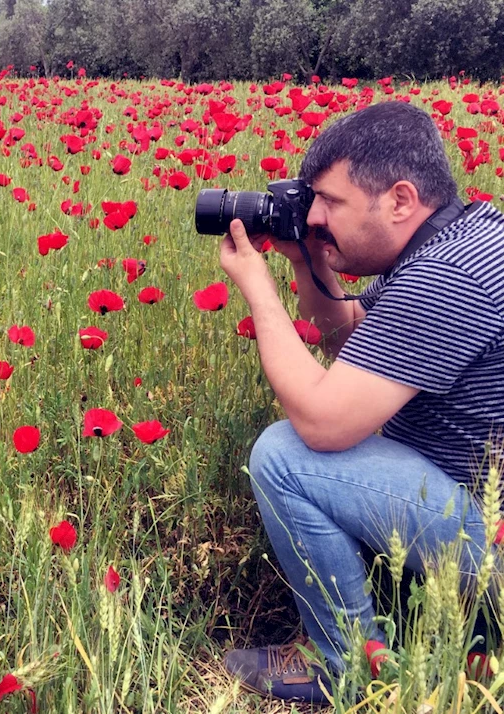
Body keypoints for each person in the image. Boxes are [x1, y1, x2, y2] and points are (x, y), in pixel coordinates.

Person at [218, 100, 504, 703]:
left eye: (331, 202)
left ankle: (346, 666)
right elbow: (352, 328)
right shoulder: (457, 237)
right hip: (472, 507)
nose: (316, 216)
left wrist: (259, 292)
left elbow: (324, 423)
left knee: (284, 454)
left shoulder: (450, 272)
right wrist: (307, 261)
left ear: (400, 199)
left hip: (492, 537)